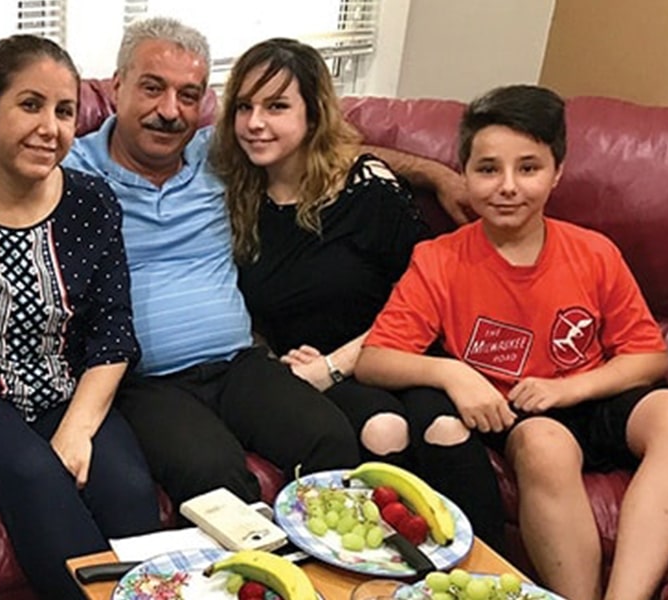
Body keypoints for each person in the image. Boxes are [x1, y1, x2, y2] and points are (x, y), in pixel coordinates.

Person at [356, 84, 668, 600]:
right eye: (488, 170)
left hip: (593, 394)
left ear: (557, 172)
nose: (507, 187)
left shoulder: (594, 252)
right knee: (545, 445)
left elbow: (648, 355)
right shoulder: (440, 260)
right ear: (465, 174)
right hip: (523, 416)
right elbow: (375, 360)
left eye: (528, 168)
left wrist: (570, 388)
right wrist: (453, 372)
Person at [208, 37, 505, 549]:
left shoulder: (366, 186)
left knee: (444, 427)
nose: (255, 122)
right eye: (244, 107)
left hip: (397, 351)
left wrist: (334, 366)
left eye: (277, 106)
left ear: (313, 115)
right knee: (382, 429)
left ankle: (492, 573)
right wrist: (275, 358)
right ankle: (391, 570)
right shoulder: (233, 193)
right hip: (310, 371)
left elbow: (424, 295)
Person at [0, 34, 161, 600]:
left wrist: (78, 429)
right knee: (34, 475)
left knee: (126, 487)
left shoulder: (93, 201)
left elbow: (113, 330)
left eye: (64, 112)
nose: (50, 127)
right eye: (29, 104)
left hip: (66, 387)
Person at [63, 17, 361, 507]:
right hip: (145, 382)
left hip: (239, 364)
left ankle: (316, 557)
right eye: (152, 88)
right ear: (117, 87)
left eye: (188, 95)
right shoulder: (72, 169)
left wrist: (440, 175)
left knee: (329, 437)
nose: (169, 111)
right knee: (212, 473)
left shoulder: (219, 155)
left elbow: (322, 142)